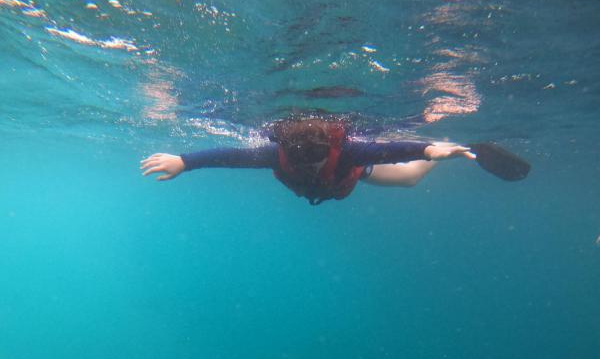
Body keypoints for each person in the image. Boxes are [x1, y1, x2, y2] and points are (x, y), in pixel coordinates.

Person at [140, 116, 528, 205]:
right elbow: (227, 156)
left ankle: (451, 141)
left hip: (353, 176)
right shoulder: (270, 155)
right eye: (302, 160)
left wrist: (431, 150)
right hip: (334, 185)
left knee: (408, 178)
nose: (309, 164)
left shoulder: (350, 153)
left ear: (329, 148)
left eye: (316, 158)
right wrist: (183, 161)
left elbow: (391, 150)